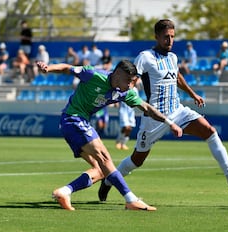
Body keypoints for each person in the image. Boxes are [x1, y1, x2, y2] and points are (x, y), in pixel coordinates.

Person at [98, 19, 228, 202]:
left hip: (178, 111)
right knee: (137, 161)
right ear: (156, 37)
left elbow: (177, 77)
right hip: (155, 117)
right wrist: (123, 95)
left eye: (172, 37)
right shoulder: (145, 57)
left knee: (210, 131)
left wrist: (193, 94)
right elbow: (131, 79)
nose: (169, 41)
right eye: (166, 37)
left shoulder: (173, 58)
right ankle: (107, 182)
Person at [36, 59, 183, 211]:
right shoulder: (93, 74)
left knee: (101, 170)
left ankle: (64, 192)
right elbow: (67, 68)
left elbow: (146, 107)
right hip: (72, 119)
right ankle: (131, 199)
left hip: (76, 123)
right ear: (118, 73)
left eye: (132, 82)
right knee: (105, 158)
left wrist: (169, 122)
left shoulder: (123, 92)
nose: (130, 85)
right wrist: (48, 68)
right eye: (128, 80)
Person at [115, 85, 139, 150]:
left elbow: (137, 100)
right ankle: (118, 141)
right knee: (125, 127)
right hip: (123, 110)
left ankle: (123, 143)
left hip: (131, 111)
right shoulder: (124, 87)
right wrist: (116, 102)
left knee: (129, 128)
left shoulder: (135, 90)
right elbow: (117, 95)